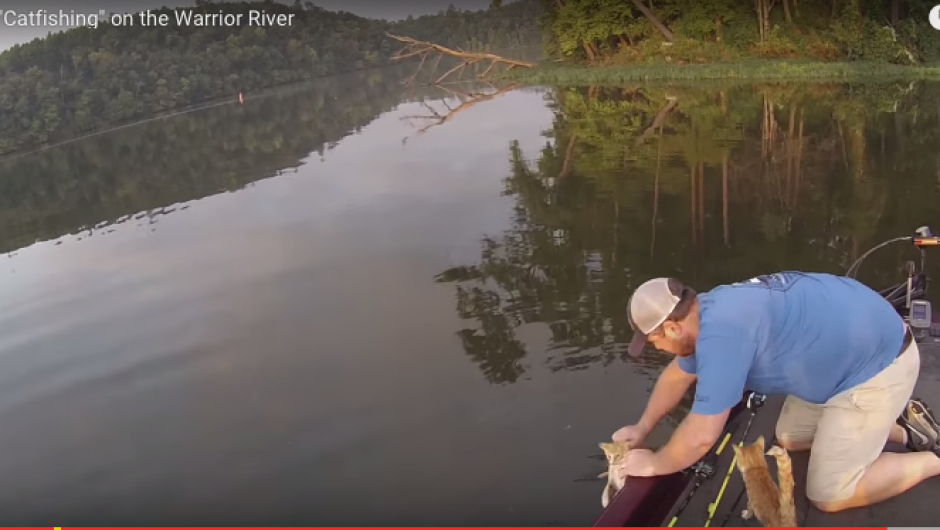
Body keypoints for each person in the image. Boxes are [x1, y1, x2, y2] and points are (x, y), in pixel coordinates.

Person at [613, 271, 940, 513]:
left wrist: (655, 464)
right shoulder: (706, 311)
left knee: (830, 493)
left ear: (672, 327)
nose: (656, 348)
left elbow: (701, 435)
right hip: (850, 349)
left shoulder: (724, 338)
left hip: (879, 366)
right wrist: (643, 428)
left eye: (654, 341)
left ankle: (932, 459)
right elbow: (676, 377)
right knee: (788, 436)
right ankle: (904, 429)